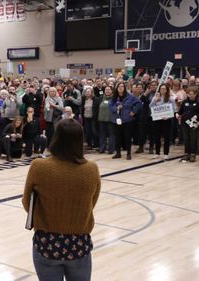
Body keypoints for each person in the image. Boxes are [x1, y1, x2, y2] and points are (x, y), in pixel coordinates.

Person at [22, 118, 101, 281]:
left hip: (46, 243)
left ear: (55, 138)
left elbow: (27, 203)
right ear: (80, 140)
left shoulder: (39, 166)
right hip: (78, 243)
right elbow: (91, 202)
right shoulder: (91, 169)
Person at [109, 82, 142, 160]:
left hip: (127, 120)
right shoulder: (114, 97)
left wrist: (134, 111)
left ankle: (128, 153)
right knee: (117, 137)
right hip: (116, 120)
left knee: (127, 137)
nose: (120, 87)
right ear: (116, 88)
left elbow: (139, 103)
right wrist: (117, 108)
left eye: (122, 86)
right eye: (119, 86)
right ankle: (118, 153)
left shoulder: (130, 97)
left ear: (125, 88)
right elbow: (110, 107)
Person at [149, 84, 176, 160]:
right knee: (157, 136)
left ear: (167, 90)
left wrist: (168, 116)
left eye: (164, 89)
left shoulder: (170, 99)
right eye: (161, 89)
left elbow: (173, 110)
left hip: (167, 120)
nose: (163, 90)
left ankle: (166, 153)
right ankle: (157, 153)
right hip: (157, 120)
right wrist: (155, 100)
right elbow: (150, 107)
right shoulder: (156, 97)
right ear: (159, 89)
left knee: (166, 137)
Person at [178, 86, 199, 162]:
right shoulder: (185, 102)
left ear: (196, 94)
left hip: (194, 123)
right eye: (189, 94)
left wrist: (197, 116)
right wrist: (177, 114)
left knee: (193, 138)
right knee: (186, 138)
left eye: (193, 94)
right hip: (185, 122)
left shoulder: (197, 102)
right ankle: (187, 154)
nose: (191, 95)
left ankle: (193, 154)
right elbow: (180, 111)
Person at [97, 86, 115, 154]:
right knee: (102, 135)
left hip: (111, 120)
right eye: (106, 89)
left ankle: (111, 150)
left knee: (111, 135)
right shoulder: (100, 98)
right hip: (101, 120)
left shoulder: (114, 98)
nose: (107, 91)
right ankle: (102, 149)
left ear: (111, 91)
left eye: (108, 89)